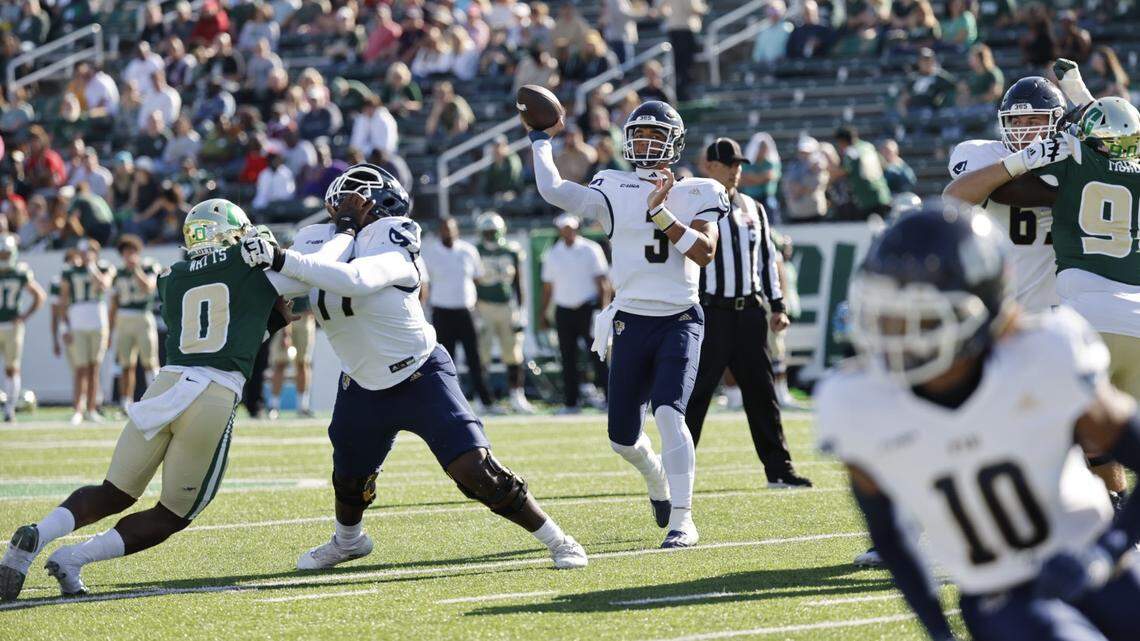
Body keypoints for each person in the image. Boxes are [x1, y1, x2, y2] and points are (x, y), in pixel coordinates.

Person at [237, 163, 588, 571]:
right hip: (361, 380)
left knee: (475, 470)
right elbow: (282, 285)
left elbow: (354, 280)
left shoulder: (396, 239)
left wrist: (285, 256)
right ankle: (348, 541)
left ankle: (557, 539)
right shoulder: (319, 241)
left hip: (420, 373)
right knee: (349, 477)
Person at [817, 204, 1140, 641]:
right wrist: (938, 630)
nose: (898, 334)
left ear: (984, 312)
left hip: (1098, 563)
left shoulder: (1044, 352)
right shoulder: (857, 401)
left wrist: (1107, 551)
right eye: (888, 314)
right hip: (1000, 596)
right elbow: (889, 536)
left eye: (923, 316)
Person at [0, 199, 295, 601]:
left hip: (165, 386)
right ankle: (73, 558)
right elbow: (288, 297)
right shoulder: (251, 266)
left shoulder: (172, 277)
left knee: (114, 491)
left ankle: (38, 534)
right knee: (175, 512)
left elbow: (224, 326)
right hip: (212, 392)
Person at [527, 100, 730, 548]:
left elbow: (704, 252)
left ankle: (683, 520)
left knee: (670, 415)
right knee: (622, 440)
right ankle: (656, 476)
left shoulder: (701, 190)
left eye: (655, 136)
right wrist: (540, 139)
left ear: (674, 143)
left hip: (679, 317)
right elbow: (556, 190)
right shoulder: (613, 185)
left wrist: (661, 213)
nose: (644, 143)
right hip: (630, 322)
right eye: (638, 135)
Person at [944, 74, 1140, 508]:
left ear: (1057, 121)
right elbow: (960, 197)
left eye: (1035, 121)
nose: (1024, 131)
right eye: (1016, 122)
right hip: (1001, 315)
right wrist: (1034, 157)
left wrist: (1076, 146)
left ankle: (1115, 506)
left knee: (1090, 427)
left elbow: (1114, 152)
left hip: (1063, 314)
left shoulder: (1074, 155)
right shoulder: (982, 153)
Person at [685, 138, 810, 488]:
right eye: (728, 164)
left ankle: (780, 470)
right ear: (709, 166)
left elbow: (767, 260)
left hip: (750, 312)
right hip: (711, 311)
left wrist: (778, 305)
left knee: (763, 394)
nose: (735, 171)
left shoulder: (754, 208)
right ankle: (677, 472)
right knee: (696, 395)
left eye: (738, 165)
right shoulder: (693, 206)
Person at [422, 217, 495, 412]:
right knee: (447, 359)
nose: (448, 232)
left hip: (466, 311)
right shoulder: (431, 253)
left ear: (457, 230)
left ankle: (485, 401)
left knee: (475, 358)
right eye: (444, 229)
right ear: (439, 231)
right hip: (442, 311)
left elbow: (477, 278)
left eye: (451, 229)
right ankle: (450, 402)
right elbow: (425, 284)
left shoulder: (468, 251)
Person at [540, 214, 610, 414]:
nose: (567, 232)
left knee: (598, 354)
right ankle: (571, 403)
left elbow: (602, 283)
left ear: (576, 228)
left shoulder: (590, 249)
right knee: (567, 357)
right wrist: (543, 313)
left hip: (588, 309)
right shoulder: (553, 253)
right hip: (564, 311)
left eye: (570, 228)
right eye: (564, 228)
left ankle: (608, 398)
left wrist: (603, 311)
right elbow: (547, 288)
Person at [474, 212, 534, 414]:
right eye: (487, 232)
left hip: (507, 306)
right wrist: (474, 312)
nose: (490, 236)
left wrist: (521, 309)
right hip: (483, 306)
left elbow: (518, 282)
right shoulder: (475, 250)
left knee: (513, 353)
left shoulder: (512, 250)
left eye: (493, 232)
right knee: (482, 354)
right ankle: (484, 399)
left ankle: (517, 395)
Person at [59, 239, 116, 425]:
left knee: (94, 368)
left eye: (88, 251)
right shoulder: (69, 271)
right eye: (82, 251)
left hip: (98, 322)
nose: (84, 255)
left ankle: (91, 409)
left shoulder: (104, 267)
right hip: (77, 322)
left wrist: (92, 267)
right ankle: (78, 409)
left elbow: (104, 286)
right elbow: (63, 300)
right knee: (80, 368)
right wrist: (64, 326)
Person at [109, 235, 162, 411]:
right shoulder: (117, 273)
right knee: (126, 364)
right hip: (124, 318)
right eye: (126, 252)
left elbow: (148, 287)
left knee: (150, 361)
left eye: (132, 251)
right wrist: (110, 329)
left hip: (143, 316)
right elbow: (114, 303)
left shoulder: (148, 266)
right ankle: (126, 402)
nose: (129, 255)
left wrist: (136, 269)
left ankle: (156, 399)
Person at [0, 234, 44, 422]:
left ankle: (10, 408)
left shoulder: (20, 272)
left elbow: (39, 295)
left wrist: (24, 316)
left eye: (6, 253)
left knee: (12, 368)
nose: (3, 257)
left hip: (11, 324)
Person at [267, 292, 315, 419]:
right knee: (280, 362)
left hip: (304, 316)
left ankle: (302, 406)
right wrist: (285, 331)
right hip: (284, 313)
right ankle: (274, 406)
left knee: (303, 362)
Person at [831, 126, 891, 220]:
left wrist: (829, 170)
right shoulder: (868, 146)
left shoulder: (851, 151)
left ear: (842, 141)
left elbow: (844, 171)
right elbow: (883, 163)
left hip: (867, 197)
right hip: (883, 193)